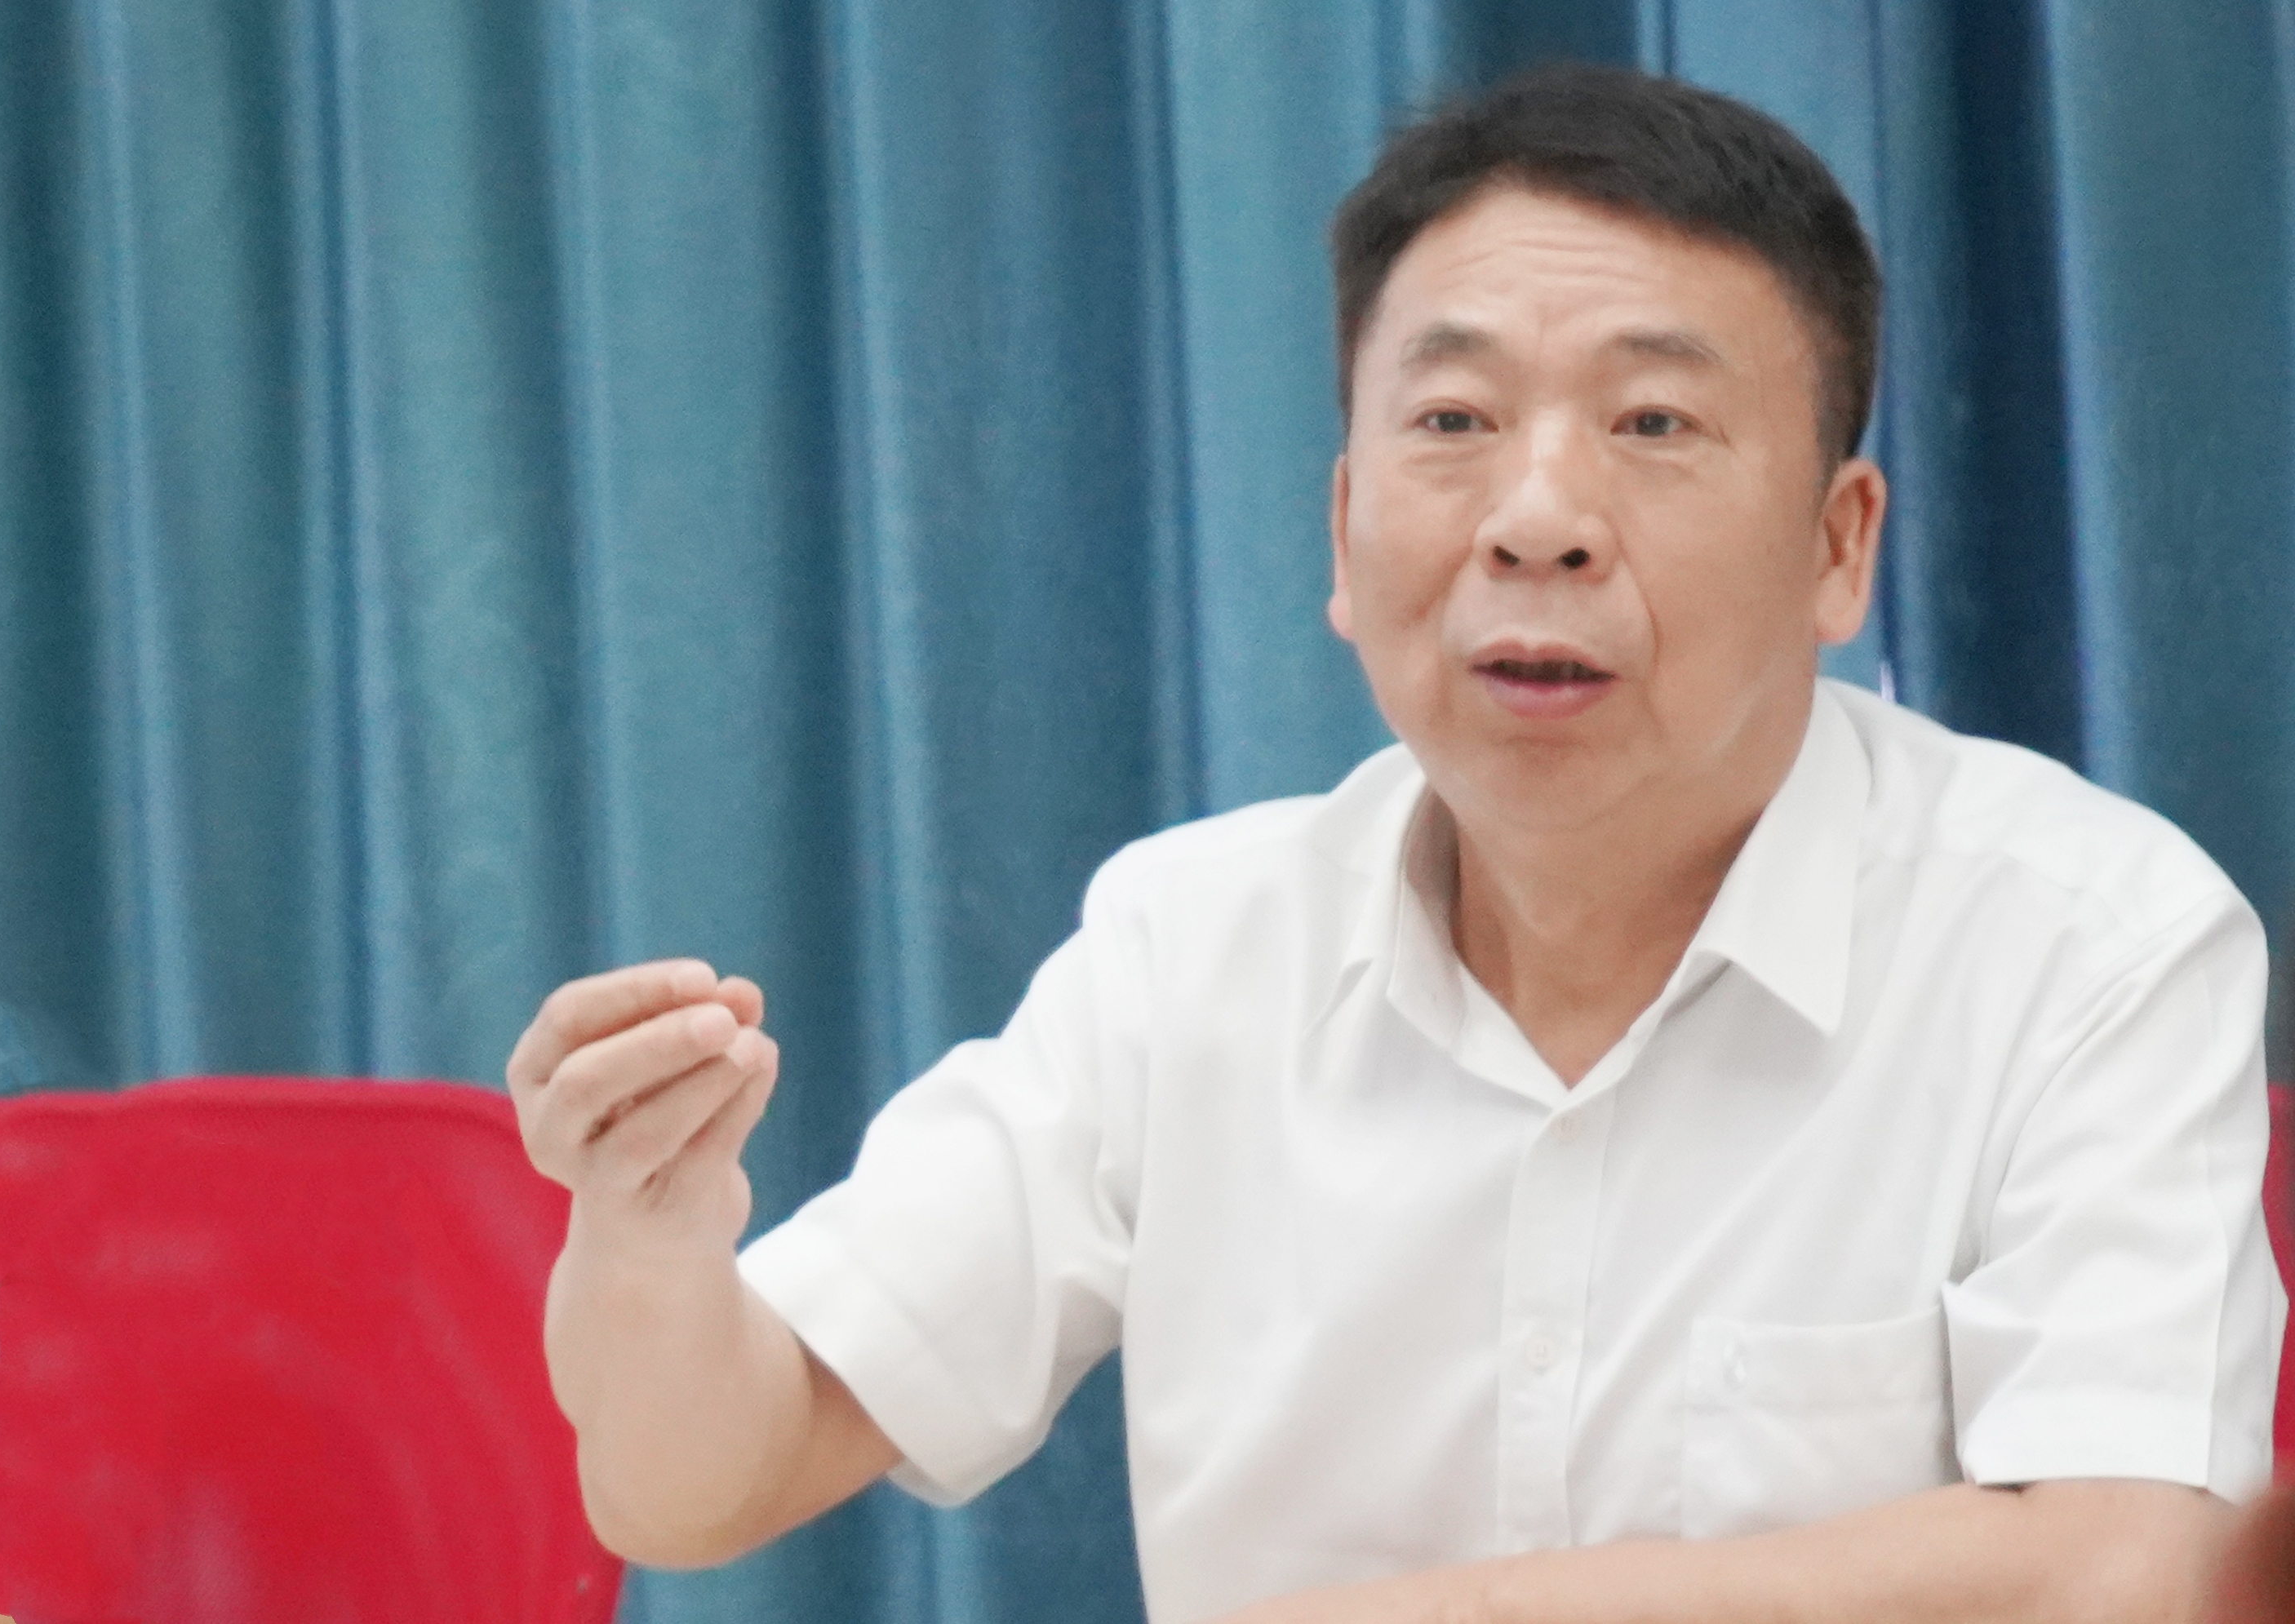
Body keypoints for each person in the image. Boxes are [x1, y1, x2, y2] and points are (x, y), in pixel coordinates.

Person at [508, 64, 2284, 1624]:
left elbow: (2124, 1572)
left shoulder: (2090, 938)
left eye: (1653, 424)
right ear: (1347, 531)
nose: (1537, 518)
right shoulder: (1189, 945)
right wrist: (649, 1235)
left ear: (1840, 545)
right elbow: (695, 1484)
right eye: (1453, 423)